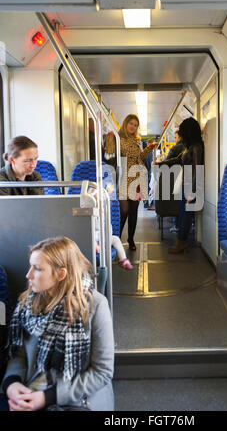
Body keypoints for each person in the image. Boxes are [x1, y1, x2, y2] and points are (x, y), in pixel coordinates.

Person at [1, 236, 114, 411]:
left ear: (61, 274)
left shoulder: (96, 305)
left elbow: (102, 372)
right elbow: (20, 355)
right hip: (32, 390)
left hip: (78, 401)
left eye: (37, 269)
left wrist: (48, 397)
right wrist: (12, 383)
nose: (28, 275)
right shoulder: (28, 302)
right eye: (30, 266)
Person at [106, 114, 157, 251]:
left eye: (135, 125)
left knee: (133, 211)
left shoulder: (137, 140)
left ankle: (131, 239)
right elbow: (108, 154)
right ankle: (116, 237)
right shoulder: (117, 138)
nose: (133, 127)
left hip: (136, 177)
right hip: (123, 178)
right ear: (125, 123)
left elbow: (139, 157)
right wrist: (109, 139)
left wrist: (149, 148)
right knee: (123, 210)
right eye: (131, 124)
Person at [167, 118, 204, 254]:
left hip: (190, 186)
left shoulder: (196, 147)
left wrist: (192, 192)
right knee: (183, 213)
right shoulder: (190, 146)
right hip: (185, 184)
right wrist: (160, 164)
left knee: (186, 215)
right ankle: (181, 241)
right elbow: (177, 160)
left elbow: (196, 169)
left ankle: (181, 242)